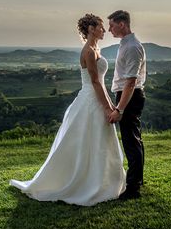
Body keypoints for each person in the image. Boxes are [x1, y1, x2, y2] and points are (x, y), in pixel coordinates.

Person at [9, 14, 126, 206]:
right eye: (100, 27)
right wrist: (107, 107)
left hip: (96, 97)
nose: (104, 30)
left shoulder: (96, 48)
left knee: (100, 140)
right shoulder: (88, 51)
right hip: (90, 100)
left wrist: (110, 104)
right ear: (90, 29)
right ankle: (87, 182)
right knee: (89, 140)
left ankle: (103, 180)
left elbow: (100, 83)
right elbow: (95, 82)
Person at [107, 10, 146, 200]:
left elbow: (130, 82)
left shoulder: (132, 47)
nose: (109, 29)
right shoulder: (126, 45)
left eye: (112, 25)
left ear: (122, 24)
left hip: (129, 96)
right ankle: (137, 180)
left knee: (131, 142)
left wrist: (119, 109)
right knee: (134, 140)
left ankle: (133, 188)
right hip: (127, 95)